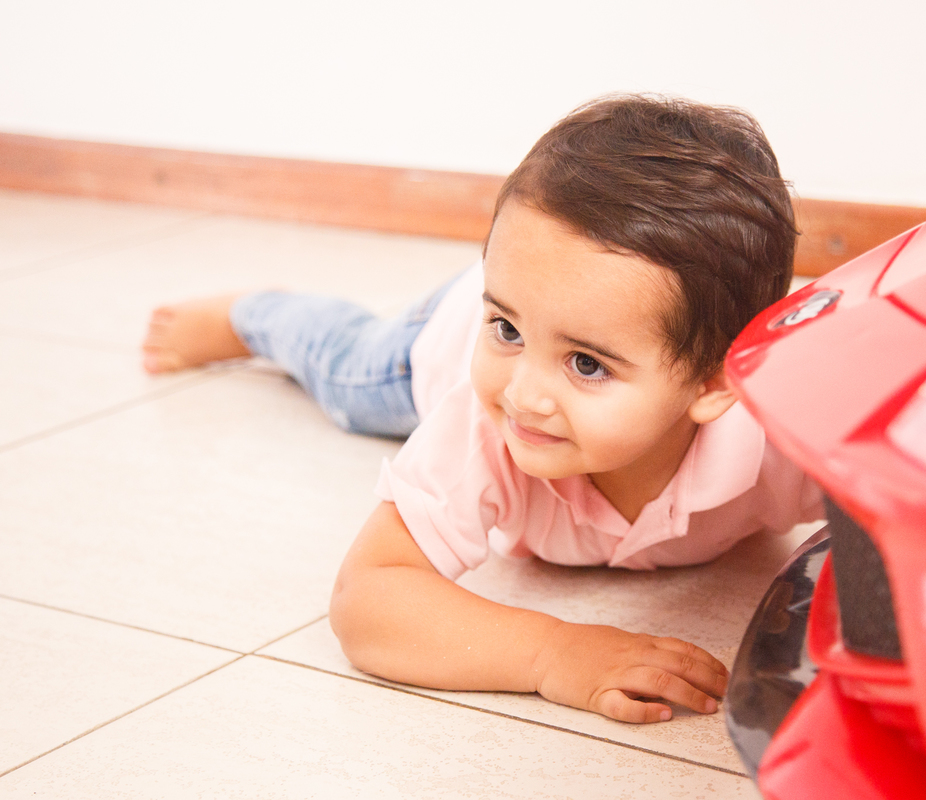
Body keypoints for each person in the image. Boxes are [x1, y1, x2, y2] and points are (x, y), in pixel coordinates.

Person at [142, 95, 823, 724]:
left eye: (586, 364)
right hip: (425, 341)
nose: (521, 394)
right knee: (346, 373)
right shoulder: (482, 421)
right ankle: (253, 315)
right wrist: (552, 653)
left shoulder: (790, 434)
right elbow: (366, 601)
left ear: (714, 382)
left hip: (561, 298)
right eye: (507, 331)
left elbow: (908, 520)